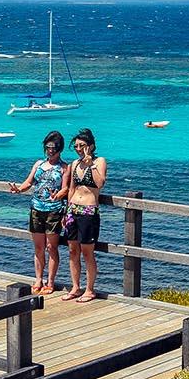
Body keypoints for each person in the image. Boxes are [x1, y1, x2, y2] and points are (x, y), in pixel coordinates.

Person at [8, 131, 67, 295]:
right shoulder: (39, 164)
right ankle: (38, 279)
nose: (50, 151)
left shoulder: (64, 168)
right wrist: (18, 189)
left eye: (53, 148)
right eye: (47, 147)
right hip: (36, 208)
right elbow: (29, 182)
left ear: (59, 149)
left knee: (51, 247)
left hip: (54, 210)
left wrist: (60, 197)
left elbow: (67, 188)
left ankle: (50, 281)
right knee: (38, 247)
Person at [61, 127, 106, 303]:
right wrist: (67, 211)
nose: (79, 149)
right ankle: (75, 287)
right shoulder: (74, 165)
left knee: (88, 252)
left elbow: (100, 183)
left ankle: (89, 289)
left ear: (91, 146)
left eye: (83, 146)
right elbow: (72, 189)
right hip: (73, 210)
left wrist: (90, 163)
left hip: (88, 211)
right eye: (77, 146)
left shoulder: (99, 161)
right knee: (72, 251)